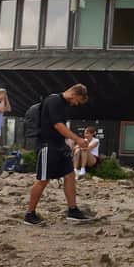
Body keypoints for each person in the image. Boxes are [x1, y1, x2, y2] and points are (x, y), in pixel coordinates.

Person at [24, 84, 92, 226]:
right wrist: (77, 139)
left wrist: (68, 142)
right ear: (74, 94)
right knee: (43, 179)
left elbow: (60, 127)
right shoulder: (54, 101)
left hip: (60, 146)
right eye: (77, 101)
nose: (76, 104)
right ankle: (30, 214)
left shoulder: (61, 104)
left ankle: (73, 210)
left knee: (70, 175)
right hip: (47, 145)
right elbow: (58, 125)